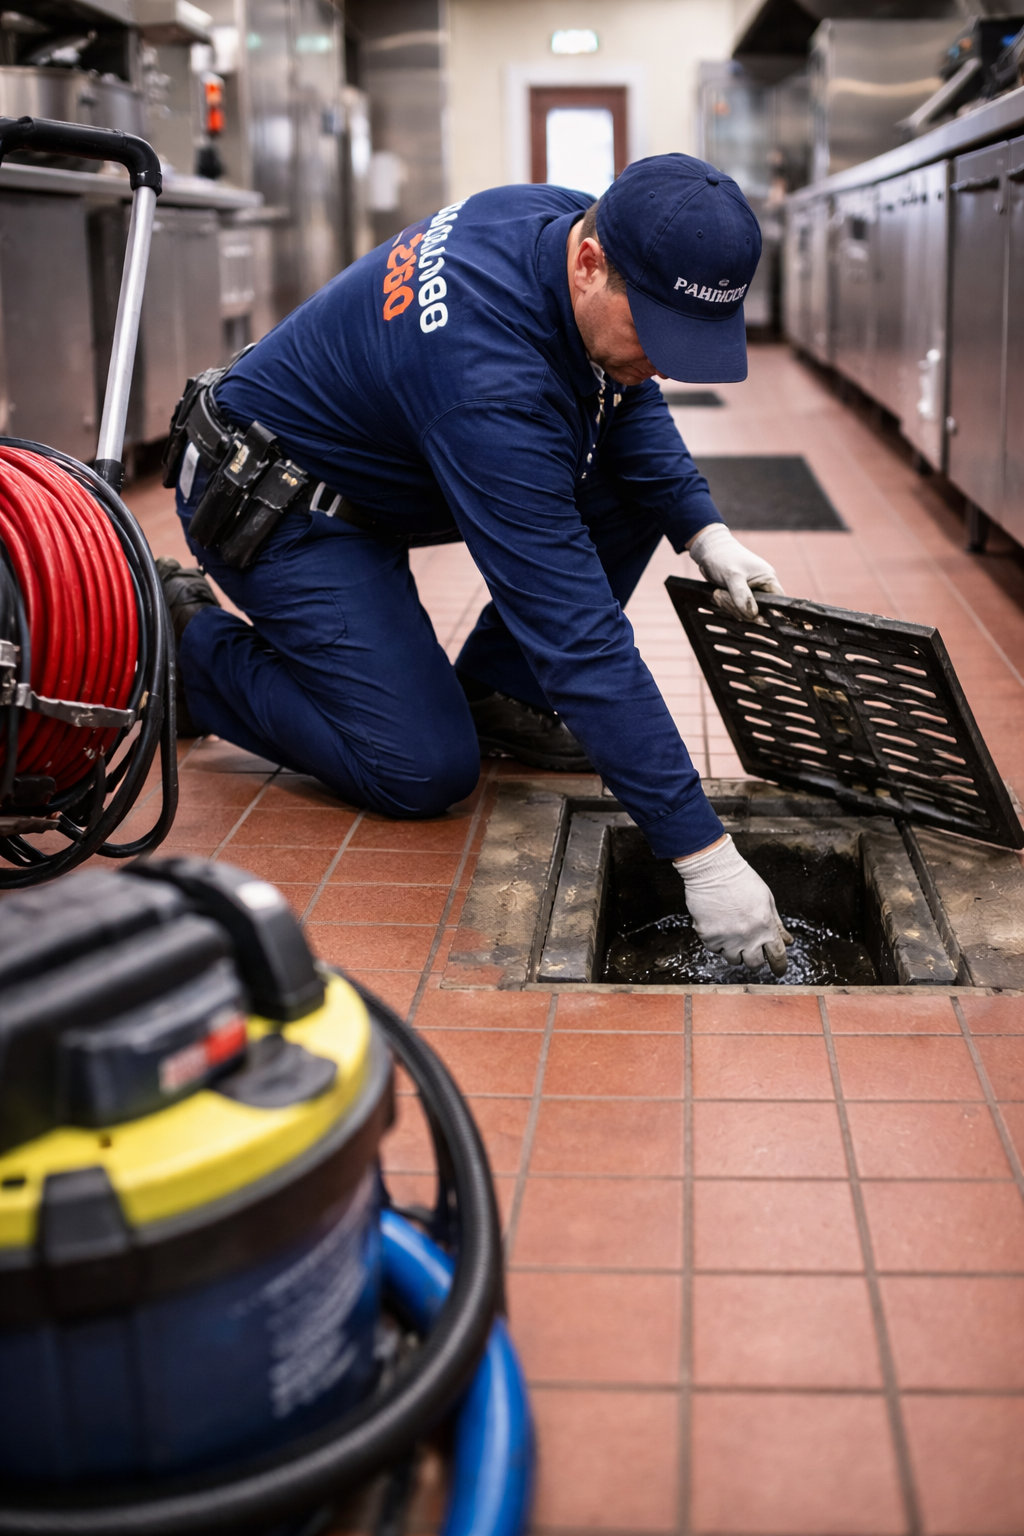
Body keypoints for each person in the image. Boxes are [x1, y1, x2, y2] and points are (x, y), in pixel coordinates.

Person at [159, 153, 792, 975]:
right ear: (593, 265)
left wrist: (704, 531)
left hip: (369, 476)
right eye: (657, 333)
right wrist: (701, 855)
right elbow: (576, 637)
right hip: (277, 508)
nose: (667, 363)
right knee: (420, 770)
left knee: (642, 486)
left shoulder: (568, 221)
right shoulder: (489, 385)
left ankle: (497, 694)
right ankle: (190, 649)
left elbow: (625, 392)